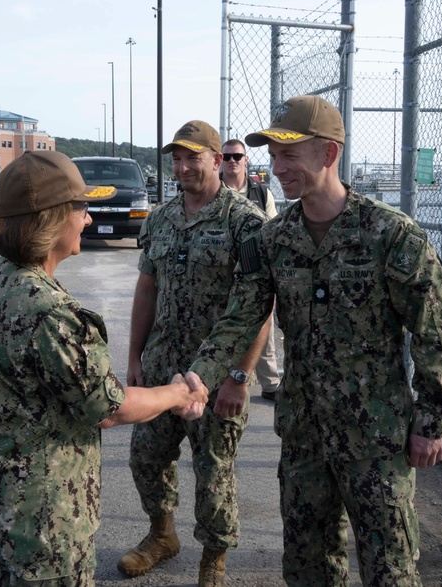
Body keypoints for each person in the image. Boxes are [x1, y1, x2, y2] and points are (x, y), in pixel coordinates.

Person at [190, 95, 442, 586]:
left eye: (288, 155)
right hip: (304, 435)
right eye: (272, 155)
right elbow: (240, 318)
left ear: (329, 153)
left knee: (391, 569)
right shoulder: (273, 240)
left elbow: (437, 336)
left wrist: (431, 421)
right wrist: (198, 379)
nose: (276, 167)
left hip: (376, 438)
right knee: (307, 565)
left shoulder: (391, 235)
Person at [0, 150, 208, 585]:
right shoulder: (46, 310)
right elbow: (109, 408)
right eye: (81, 208)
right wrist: (180, 393)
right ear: (50, 219)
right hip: (41, 520)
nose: (88, 220)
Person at [119, 120, 270, 587]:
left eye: (193, 157)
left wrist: (239, 377)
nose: (183, 167)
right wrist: (135, 357)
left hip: (217, 373)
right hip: (164, 369)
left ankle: (214, 559)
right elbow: (147, 288)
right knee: (146, 458)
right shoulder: (162, 218)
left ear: (217, 160)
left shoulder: (244, 222)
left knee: (214, 472)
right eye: (176, 159)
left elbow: (260, 308)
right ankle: (162, 535)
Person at [219, 138, 283, 400]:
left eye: (237, 156)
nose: (232, 161)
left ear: (246, 160)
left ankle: (270, 383)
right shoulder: (214, 191)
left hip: (255, 271)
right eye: (227, 157)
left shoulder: (262, 193)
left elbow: (272, 228)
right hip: (222, 272)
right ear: (219, 161)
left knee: (263, 326)